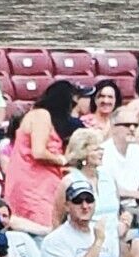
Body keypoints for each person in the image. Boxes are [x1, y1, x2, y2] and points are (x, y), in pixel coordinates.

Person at [4, 80, 81, 228]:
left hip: (44, 183)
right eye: (72, 104)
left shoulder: (47, 119)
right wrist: (61, 160)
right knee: (43, 228)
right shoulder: (41, 115)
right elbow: (38, 152)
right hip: (33, 185)